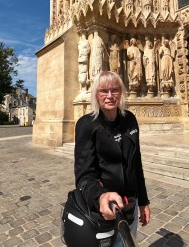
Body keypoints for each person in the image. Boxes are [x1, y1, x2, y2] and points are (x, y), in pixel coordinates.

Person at [74, 71, 151, 246]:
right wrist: (100, 197)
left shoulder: (130, 119)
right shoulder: (87, 125)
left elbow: (136, 164)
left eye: (114, 90)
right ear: (96, 94)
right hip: (106, 210)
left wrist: (143, 202)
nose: (109, 96)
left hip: (130, 206)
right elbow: (84, 176)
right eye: (103, 91)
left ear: (121, 92)